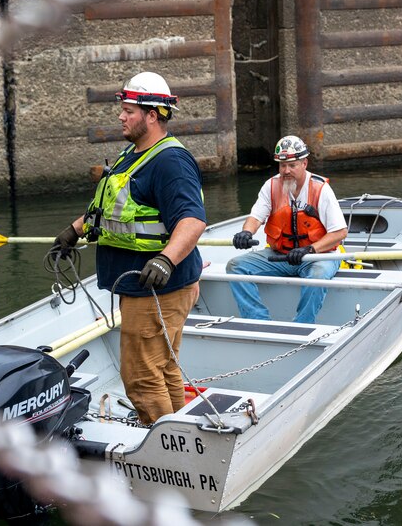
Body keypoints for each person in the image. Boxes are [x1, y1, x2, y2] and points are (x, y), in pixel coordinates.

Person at [51, 72, 206, 425]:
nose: (121, 116)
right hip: (143, 288)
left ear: (153, 115)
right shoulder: (134, 154)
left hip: (157, 289)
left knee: (141, 377)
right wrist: (75, 232)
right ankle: (179, 433)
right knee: (163, 368)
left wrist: (166, 260)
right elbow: (114, 209)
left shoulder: (170, 162)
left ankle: (165, 450)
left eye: (129, 111)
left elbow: (193, 220)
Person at [226, 135, 348, 323]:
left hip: (316, 256)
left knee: (318, 275)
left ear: (304, 163)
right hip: (281, 255)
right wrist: (246, 232)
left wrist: (309, 249)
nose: (286, 171)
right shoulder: (271, 186)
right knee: (236, 267)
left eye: (292, 165)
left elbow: (340, 232)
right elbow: (256, 216)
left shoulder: (320, 189)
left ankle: (301, 325)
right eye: (282, 165)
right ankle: (259, 322)